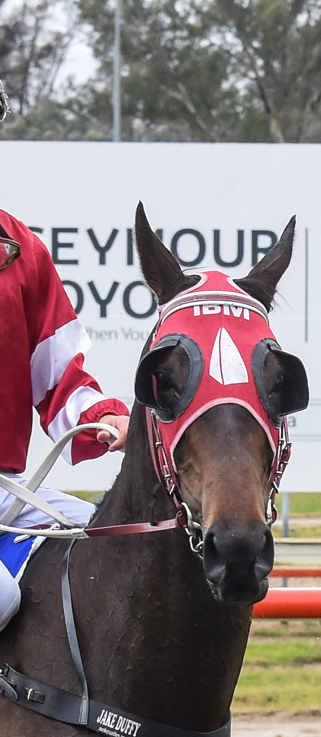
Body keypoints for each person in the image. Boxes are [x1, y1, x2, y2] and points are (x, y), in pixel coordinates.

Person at [0, 79, 131, 630]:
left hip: (6, 495)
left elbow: (59, 382)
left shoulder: (22, 250)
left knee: (117, 550)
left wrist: (107, 418)